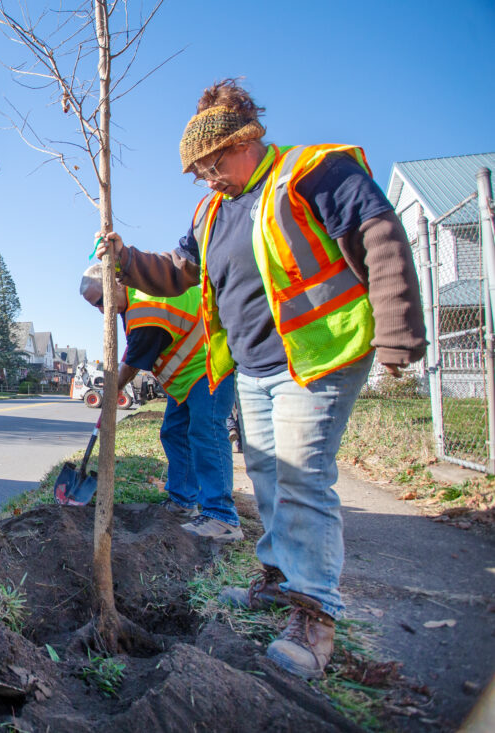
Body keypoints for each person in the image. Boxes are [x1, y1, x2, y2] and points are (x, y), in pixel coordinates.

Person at [96, 78, 425, 680]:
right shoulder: (212, 212)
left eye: (210, 164)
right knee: (270, 475)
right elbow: (178, 270)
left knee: (303, 479)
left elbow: (378, 232)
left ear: (243, 143)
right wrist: (124, 257)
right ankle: (278, 578)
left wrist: (399, 329)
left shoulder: (311, 173)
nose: (205, 178)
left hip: (317, 357)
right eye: (198, 171)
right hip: (254, 367)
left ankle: (314, 615)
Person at [79, 265, 241, 542]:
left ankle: (222, 516)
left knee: (207, 435)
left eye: (103, 301)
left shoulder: (145, 307)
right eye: (95, 305)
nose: (102, 310)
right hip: (187, 378)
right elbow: (134, 346)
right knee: (174, 433)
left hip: (208, 366)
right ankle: (182, 501)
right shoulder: (133, 303)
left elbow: (131, 364)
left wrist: (111, 392)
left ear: (116, 283)